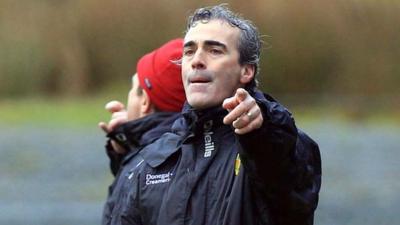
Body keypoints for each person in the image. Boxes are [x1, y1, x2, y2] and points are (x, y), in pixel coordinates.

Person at [126, 5, 321, 225]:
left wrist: (262, 127)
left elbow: (286, 177)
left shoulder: (275, 146)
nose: (196, 60)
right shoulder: (154, 158)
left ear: (246, 71)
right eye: (189, 51)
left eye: (214, 50)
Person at [98, 38, 186, 225]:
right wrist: (129, 145)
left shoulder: (145, 166)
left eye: (133, 88)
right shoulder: (197, 150)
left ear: (144, 101)